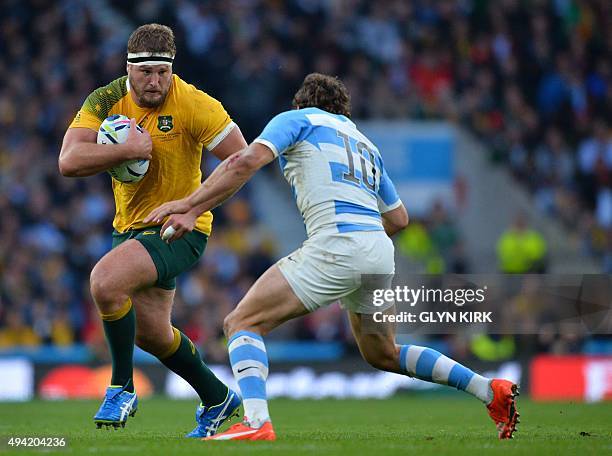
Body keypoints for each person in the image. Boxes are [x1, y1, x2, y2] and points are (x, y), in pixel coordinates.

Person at [146, 73, 520, 441]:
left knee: (242, 322)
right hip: (377, 251)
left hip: (337, 243)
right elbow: (399, 218)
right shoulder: (365, 144)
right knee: (384, 353)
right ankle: (489, 390)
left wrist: (191, 207)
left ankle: (257, 422)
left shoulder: (297, 120)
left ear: (302, 102)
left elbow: (243, 163)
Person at [59, 24, 244, 437]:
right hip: (128, 228)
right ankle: (218, 397)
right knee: (153, 336)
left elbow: (242, 159)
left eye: (163, 72)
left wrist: (192, 207)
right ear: (129, 68)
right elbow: (68, 161)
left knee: (105, 283)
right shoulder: (106, 99)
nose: (156, 81)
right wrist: (128, 149)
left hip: (181, 228)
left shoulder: (195, 103)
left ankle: (120, 387)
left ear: (171, 69)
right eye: (146, 73)